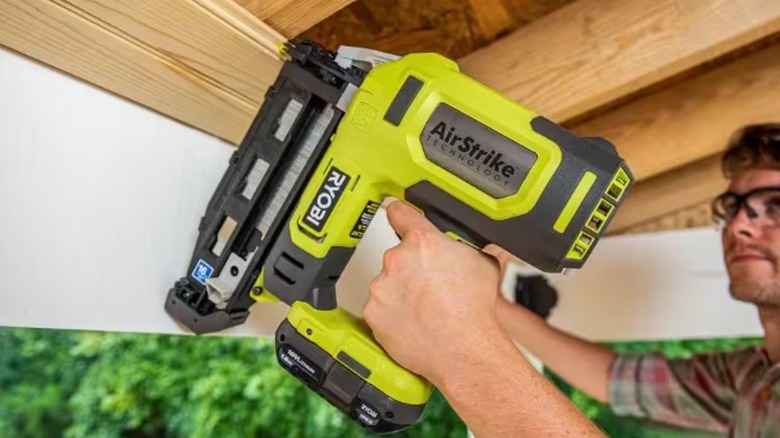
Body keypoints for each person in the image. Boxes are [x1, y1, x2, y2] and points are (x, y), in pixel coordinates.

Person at [362, 123, 780, 437]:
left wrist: (457, 343)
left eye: (774, 207)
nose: (740, 225)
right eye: (734, 206)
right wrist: (492, 308)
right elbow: (614, 378)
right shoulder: (750, 378)